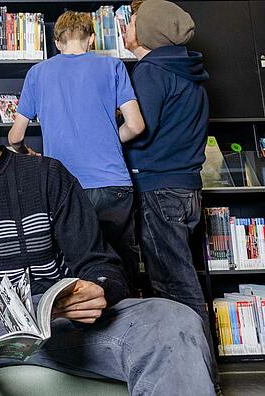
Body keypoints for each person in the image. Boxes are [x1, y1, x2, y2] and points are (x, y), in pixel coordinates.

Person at [0, 69, 215, 395]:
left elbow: (101, 264)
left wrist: (97, 292)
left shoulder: (46, 175)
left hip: (55, 323)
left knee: (174, 320)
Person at [8, 11, 145, 292]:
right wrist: (110, 138)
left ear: (56, 42)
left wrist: (27, 154)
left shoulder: (38, 73)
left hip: (65, 189)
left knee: (75, 270)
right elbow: (136, 126)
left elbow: (16, 136)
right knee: (122, 266)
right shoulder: (113, 67)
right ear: (92, 39)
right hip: (113, 184)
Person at [123, 0, 219, 387]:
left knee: (175, 287)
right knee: (184, 279)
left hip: (158, 188)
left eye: (131, 22)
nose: (126, 29)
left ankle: (197, 381)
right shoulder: (188, 72)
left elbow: (139, 128)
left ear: (149, 30)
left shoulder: (151, 71)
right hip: (186, 189)